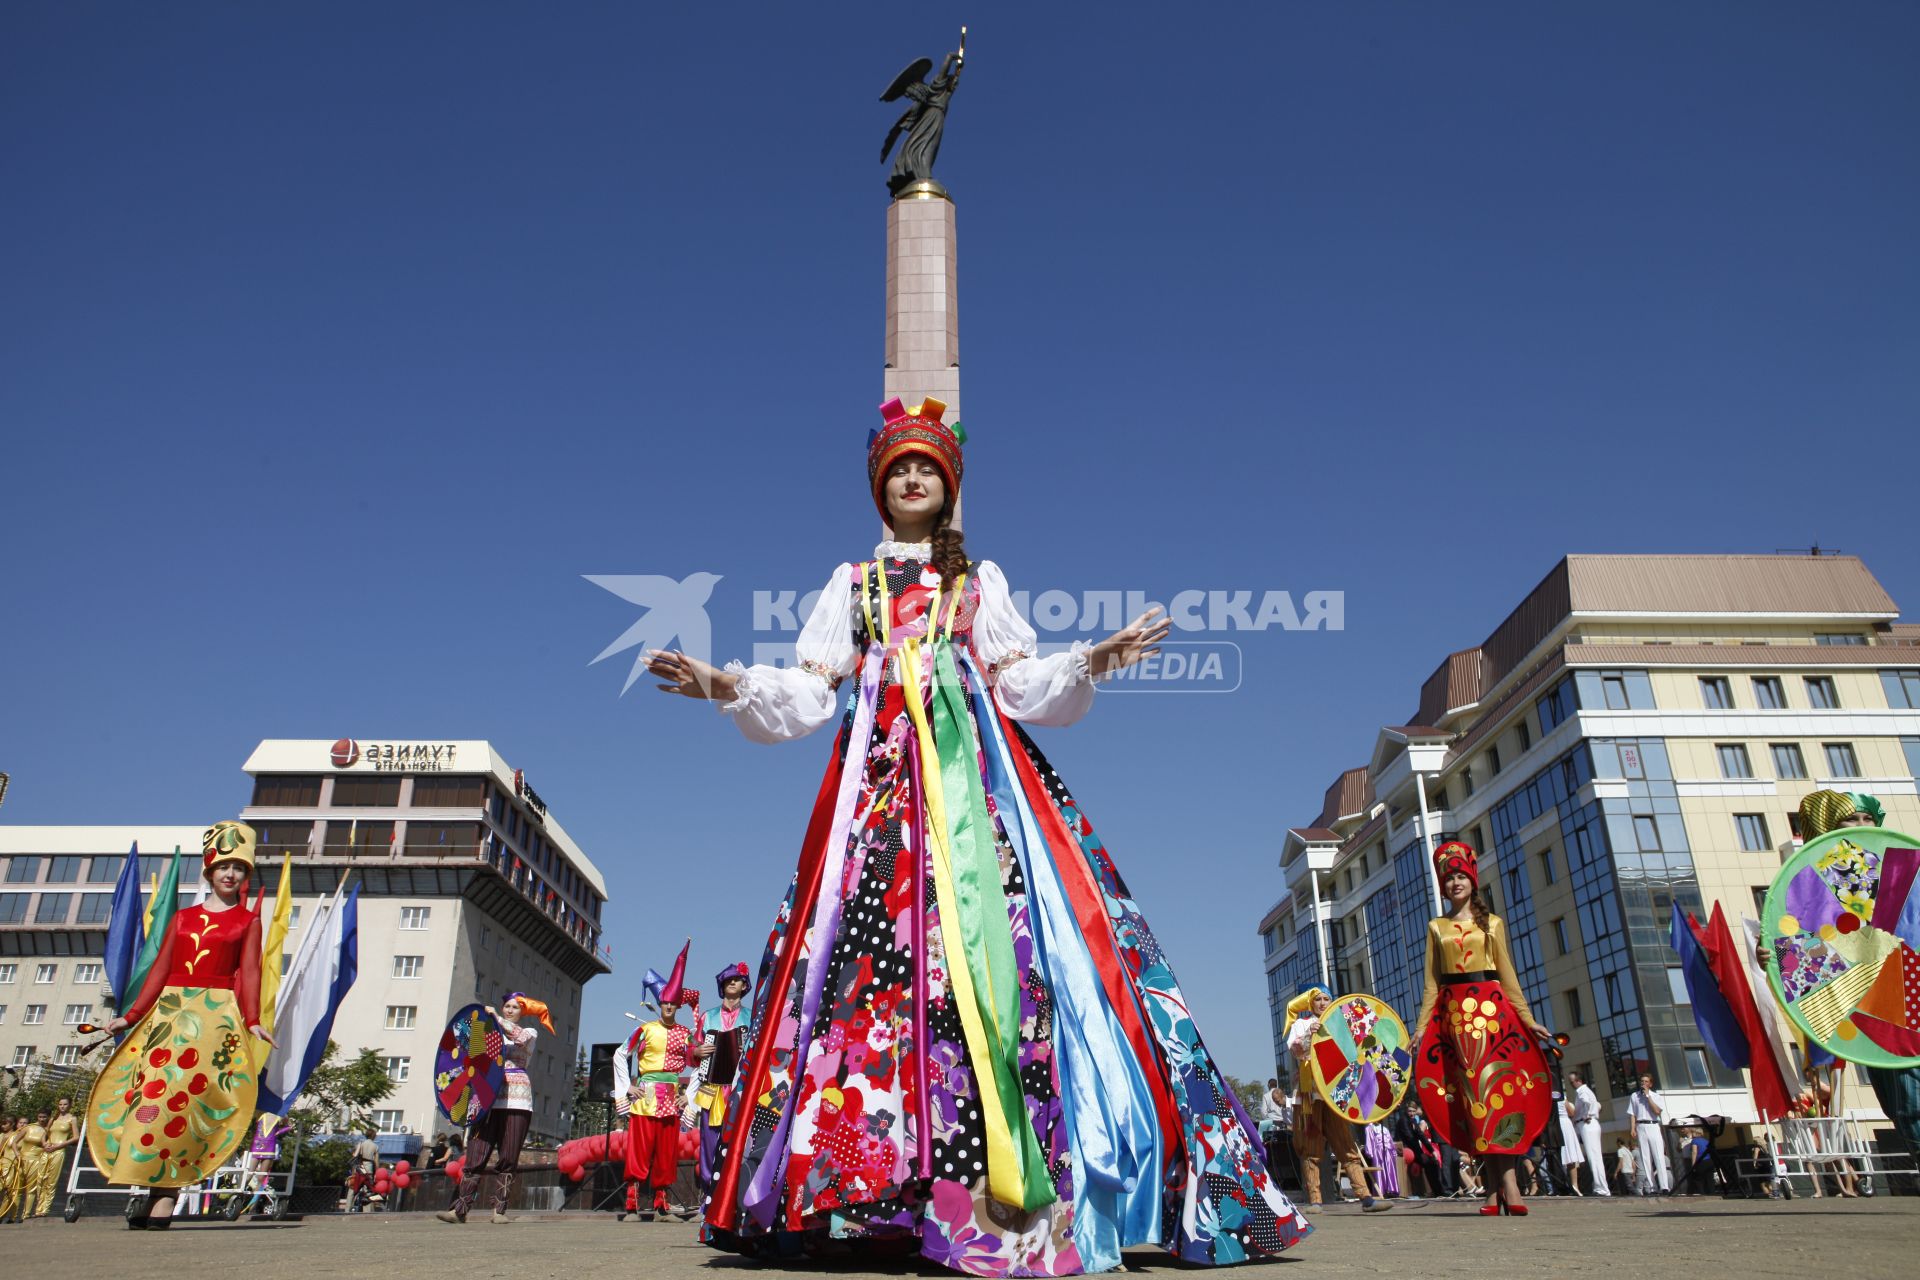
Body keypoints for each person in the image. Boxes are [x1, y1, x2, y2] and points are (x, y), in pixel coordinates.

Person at [665, 399, 1309, 1274]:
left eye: (926, 466)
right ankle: (866, 1196)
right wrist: (721, 682)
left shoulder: (980, 583)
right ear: (879, 489)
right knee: (866, 970)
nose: (913, 478)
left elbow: (1021, 681)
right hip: (883, 800)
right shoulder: (852, 584)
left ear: (948, 484)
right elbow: (811, 691)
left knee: (1006, 966)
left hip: (976, 800)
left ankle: (990, 1199)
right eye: (898, 469)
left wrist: (1094, 659)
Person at [90, 821, 275, 1229]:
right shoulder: (182, 918)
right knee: (151, 1100)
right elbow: (160, 970)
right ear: (209, 871)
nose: (231, 875)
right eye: (223, 867)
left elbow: (249, 973)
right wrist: (130, 1016)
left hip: (213, 1021)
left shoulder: (247, 922)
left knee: (190, 1104)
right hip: (170, 1019)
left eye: (239, 869)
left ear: (246, 876)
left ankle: (164, 1202)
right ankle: (150, 1187)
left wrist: (252, 1021)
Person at [1409, 840, 1556, 1217]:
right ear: (1443, 886)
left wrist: (1526, 1019)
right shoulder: (1436, 927)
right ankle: (1496, 1186)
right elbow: (1432, 984)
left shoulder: (1491, 924)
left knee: (1500, 1097)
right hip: (1456, 1021)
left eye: (1461, 876)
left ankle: (1504, 1184)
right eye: (1449, 878)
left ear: (1472, 882)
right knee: (1475, 1104)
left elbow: (1507, 975)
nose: (1456, 882)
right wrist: (1421, 1027)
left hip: (1494, 1017)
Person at [438, 992, 551, 1224]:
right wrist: (458, 1103)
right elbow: (467, 1061)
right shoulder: (489, 1034)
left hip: (517, 1100)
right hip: (487, 1099)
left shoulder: (529, 1032)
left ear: (523, 1012)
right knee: (476, 1153)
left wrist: (496, 1018)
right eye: (507, 1007)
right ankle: (459, 1209)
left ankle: (499, 1210)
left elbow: (518, 1038)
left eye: (515, 1008)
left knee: (508, 1155)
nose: (509, 1010)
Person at [1285, 988, 1392, 1211]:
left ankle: (1365, 1197)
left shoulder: (1343, 1023)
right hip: (1309, 1093)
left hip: (1337, 1093)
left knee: (1346, 1144)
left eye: (1327, 999)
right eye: (1318, 999)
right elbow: (1295, 1049)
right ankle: (1315, 1200)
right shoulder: (1302, 1024)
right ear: (1309, 1002)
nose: (1323, 1003)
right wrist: (1309, 1035)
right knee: (1310, 1148)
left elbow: (1359, 1053)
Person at [614, 965, 705, 1221]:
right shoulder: (644, 1030)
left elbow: (700, 1064)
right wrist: (626, 1087)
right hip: (646, 1098)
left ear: (677, 1006)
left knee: (666, 1152)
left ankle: (661, 1206)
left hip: (672, 1099)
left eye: (673, 1003)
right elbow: (621, 1054)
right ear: (659, 1003)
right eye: (664, 1002)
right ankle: (632, 1204)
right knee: (640, 1150)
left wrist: (689, 1096)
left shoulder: (686, 1034)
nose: (668, 1006)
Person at [689, 962, 752, 1200]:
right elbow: (693, 1049)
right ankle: (709, 1195)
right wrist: (696, 1053)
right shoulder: (708, 1017)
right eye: (727, 980)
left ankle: (734, 1196)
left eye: (736, 979)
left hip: (739, 1088)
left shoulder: (752, 1015)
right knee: (709, 1141)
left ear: (744, 985)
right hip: (712, 1088)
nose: (732, 983)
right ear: (722, 986)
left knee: (739, 1140)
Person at [1393, 1097, 1449, 1198]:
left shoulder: (1413, 1121)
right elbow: (1410, 1139)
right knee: (1427, 1162)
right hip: (1404, 1149)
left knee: (1433, 1161)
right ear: (1406, 1110)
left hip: (1413, 1148)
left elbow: (1421, 1136)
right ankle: (1437, 1191)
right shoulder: (1403, 1120)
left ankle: (1438, 1190)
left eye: (1414, 1111)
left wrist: (1432, 1151)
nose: (1412, 1113)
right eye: (1410, 1111)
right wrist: (1421, 1154)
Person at [1566, 1071, 1609, 1196]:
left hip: (1587, 1124)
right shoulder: (1585, 1091)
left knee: (1594, 1157)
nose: (1571, 1084)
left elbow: (1588, 1103)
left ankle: (1601, 1188)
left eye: (1572, 1082)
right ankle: (1599, 1186)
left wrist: (1587, 1114)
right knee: (1595, 1157)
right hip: (1588, 1124)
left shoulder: (1582, 1091)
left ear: (1579, 1081)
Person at [1627, 1074, 1671, 1195]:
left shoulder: (1656, 1096)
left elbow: (1657, 1111)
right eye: (1642, 1081)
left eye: (1646, 1081)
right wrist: (1632, 1128)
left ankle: (1664, 1186)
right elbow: (1632, 1114)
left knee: (1658, 1156)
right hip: (1640, 1126)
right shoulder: (1634, 1096)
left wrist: (1648, 1097)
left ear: (1650, 1084)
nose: (1643, 1083)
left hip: (1653, 1125)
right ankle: (1652, 1187)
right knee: (1645, 1158)